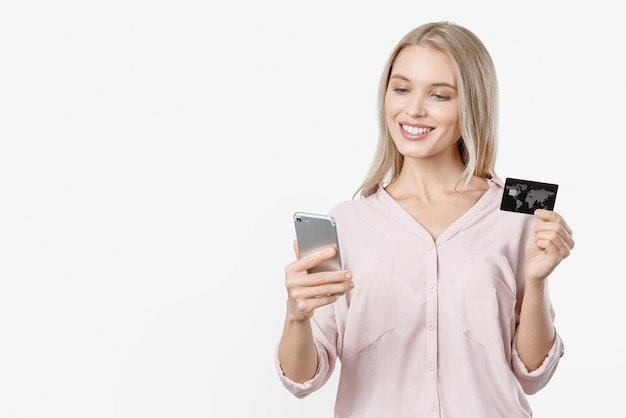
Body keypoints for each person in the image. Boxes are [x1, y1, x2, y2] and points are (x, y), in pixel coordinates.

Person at [275, 21, 575, 418]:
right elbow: (304, 380)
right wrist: (297, 315)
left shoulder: (516, 213)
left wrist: (537, 282)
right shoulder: (347, 223)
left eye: (439, 95)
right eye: (401, 89)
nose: (413, 109)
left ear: (472, 104)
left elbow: (532, 375)